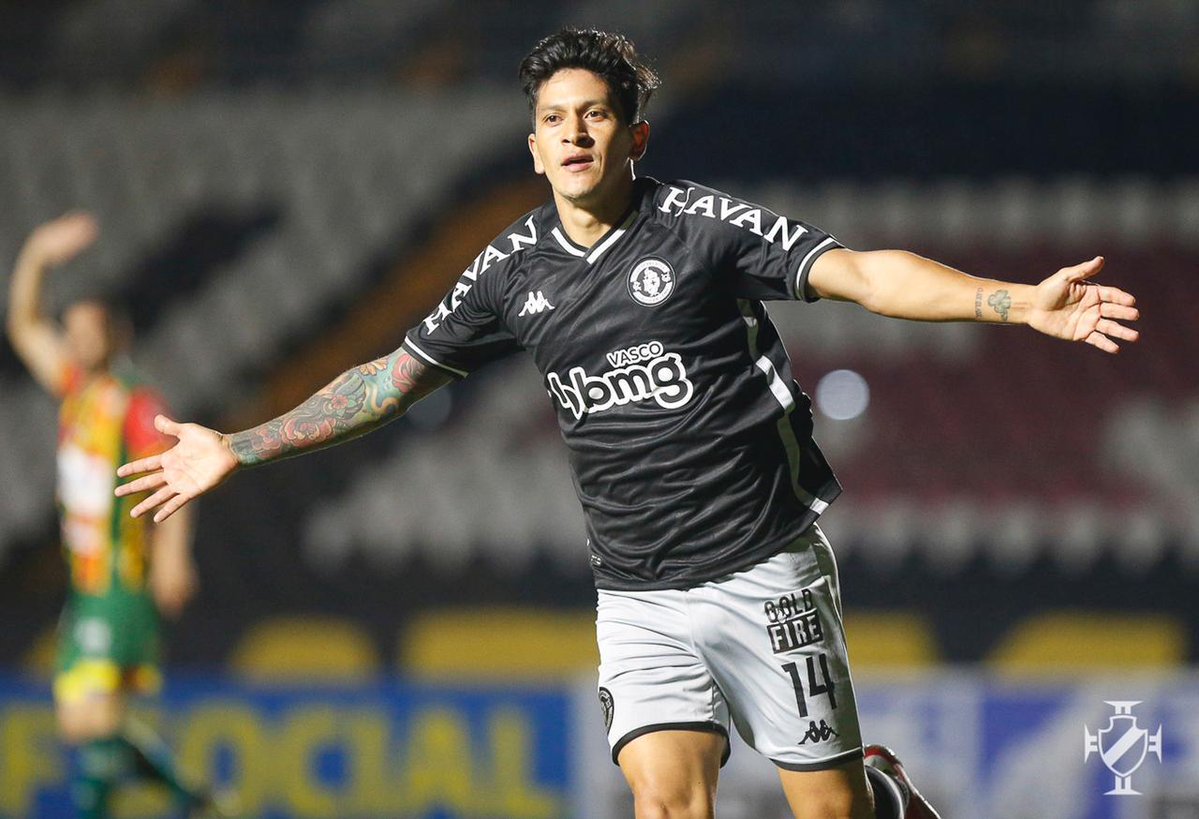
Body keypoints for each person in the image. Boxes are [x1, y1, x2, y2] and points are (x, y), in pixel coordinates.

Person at [115, 28, 1140, 819]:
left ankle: (879, 791)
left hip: (763, 567)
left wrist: (1015, 302)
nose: (573, 134)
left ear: (632, 136)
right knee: (663, 804)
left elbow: (865, 275)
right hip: (637, 594)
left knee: (829, 810)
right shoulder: (508, 272)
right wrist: (238, 446)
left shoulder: (701, 229)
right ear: (531, 147)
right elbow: (389, 379)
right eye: (554, 120)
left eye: (594, 116)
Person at [6, 213, 225, 817]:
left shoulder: (135, 402)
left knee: (94, 716)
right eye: (71, 330)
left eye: (87, 331)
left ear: (114, 337)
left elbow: (174, 473)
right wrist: (36, 255)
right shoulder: (76, 388)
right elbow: (23, 324)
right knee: (81, 722)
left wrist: (174, 555)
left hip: (121, 578)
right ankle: (189, 796)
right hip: (87, 582)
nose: (75, 341)